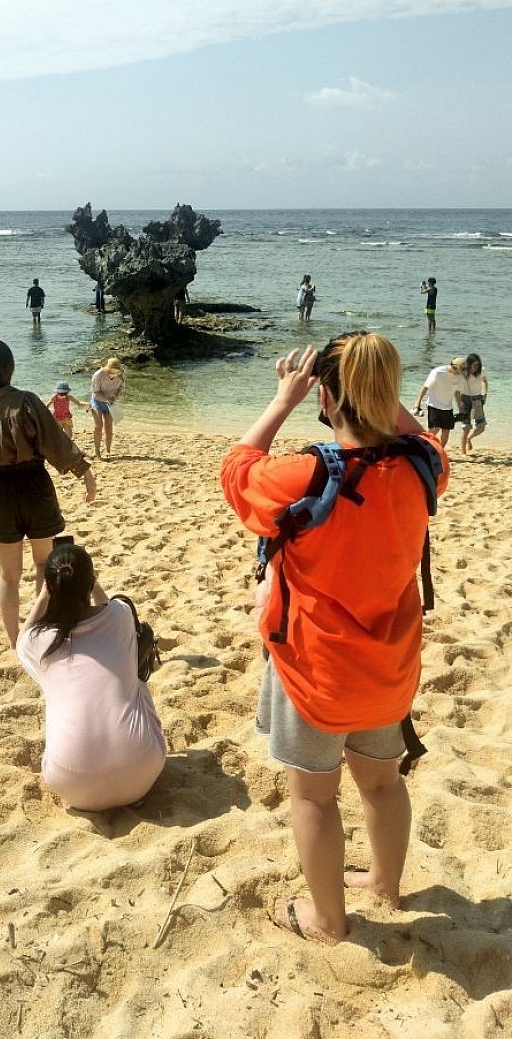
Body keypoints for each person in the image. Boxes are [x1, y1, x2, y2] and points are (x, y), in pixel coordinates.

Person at [220, 332, 449, 943]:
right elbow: (417, 433)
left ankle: (326, 919)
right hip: (391, 662)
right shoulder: (424, 465)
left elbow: (236, 471)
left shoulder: (304, 473)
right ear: (387, 392)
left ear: (326, 395)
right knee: (382, 781)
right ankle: (386, 885)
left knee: (315, 799)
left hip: (316, 667)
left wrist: (283, 398)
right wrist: (378, 393)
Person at [0, 339, 96, 649]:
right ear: (10, 368)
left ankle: (17, 642)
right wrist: (84, 471)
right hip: (35, 485)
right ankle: (41, 633)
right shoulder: (27, 402)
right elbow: (55, 442)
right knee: (44, 565)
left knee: (8, 576)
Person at [16, 543, 166, 811]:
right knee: (137, 683)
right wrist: (93, 584)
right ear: (92, 580)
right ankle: (128, 787)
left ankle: (90, 794)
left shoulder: (38, 643)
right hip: (143, 772)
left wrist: (42, 597)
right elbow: (108, 606)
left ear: (50, 587)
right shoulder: (120, 617)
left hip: (72, 786)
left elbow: (21, 639)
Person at [412, 357, 466, 448]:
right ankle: (425, 447)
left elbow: (457, 392)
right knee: (434, 430)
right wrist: (417, 404)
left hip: (447, 407)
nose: (458, 374)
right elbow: (425, 388)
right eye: (458, 371)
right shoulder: (437, 372)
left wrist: (460, 406)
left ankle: (440, 451)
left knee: (446, 432)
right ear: (454, 367)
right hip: (434, 405)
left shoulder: (460, 377)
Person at [90, 356, 125, 459]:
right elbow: (95, 392)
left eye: (117, 372)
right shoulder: (98, 375)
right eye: (112, 371)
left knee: (109, 428)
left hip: (111, 403)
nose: (115, 374)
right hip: (97, 401)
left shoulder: (121, 375)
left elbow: (120, 388)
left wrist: (115, 396)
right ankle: (97, 452)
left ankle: (108, 451)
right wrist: (106, 399)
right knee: (98, 427)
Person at [455, 352, 489, 454]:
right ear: (468, 364)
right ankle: (463, 452)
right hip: (465, 399)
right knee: (466, 428)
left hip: (477, 399)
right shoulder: (463, 373)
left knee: (481, 427)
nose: (474, 367)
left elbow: (485, 381)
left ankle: (469, 439)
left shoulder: (482, 372)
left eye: (476, 365)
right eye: (472, 365)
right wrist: (459, 402)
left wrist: (485, 394)